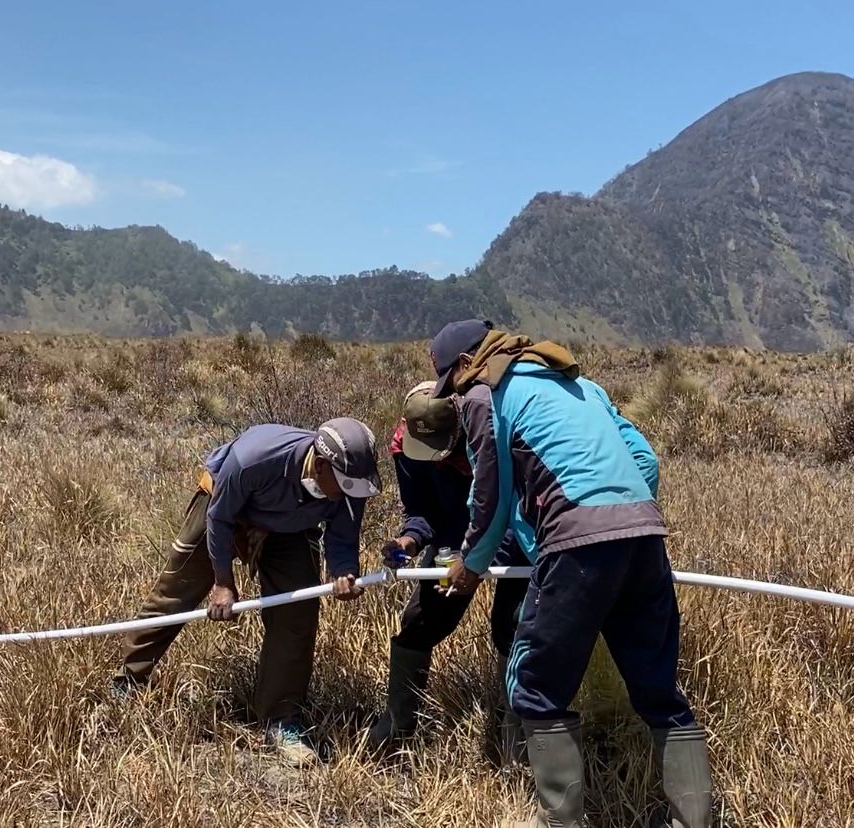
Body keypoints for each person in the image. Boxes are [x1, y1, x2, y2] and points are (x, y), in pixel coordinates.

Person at [428, 320, 713, 828]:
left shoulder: (483, 393)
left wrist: (470, 567)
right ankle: (694, 821)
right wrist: (619, 517)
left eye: (452, 383)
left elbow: (489, 499)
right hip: (646, 534)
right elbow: (644, 461)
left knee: (533, 687)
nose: (455, 395)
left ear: (466, 365)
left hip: (577, 543)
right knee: (658, 691)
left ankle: (560, 822)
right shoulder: (581, 384)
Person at [111, 417, 382, 767]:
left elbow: (343, 535)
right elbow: (220, 517)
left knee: (297, 613)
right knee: (176, 592)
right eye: (343, 484)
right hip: (223, 510)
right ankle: (129, 680)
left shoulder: (349, 481)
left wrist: (345, 571)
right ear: (319, 464)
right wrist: (223, 582)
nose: (348, 493)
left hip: (289, 527)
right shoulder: (256, 458)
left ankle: (282, 719)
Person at [365, 380, 531, 762]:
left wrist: (476, 562)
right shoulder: (406, 446)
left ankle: (517, 747)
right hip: (455, 537)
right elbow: (422, 512)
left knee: (512, 627)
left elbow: (512, 501)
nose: (435, 460)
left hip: (511, 532)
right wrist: (407, 541)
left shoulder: (492, 434)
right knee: (420, 622)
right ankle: (397, 726)